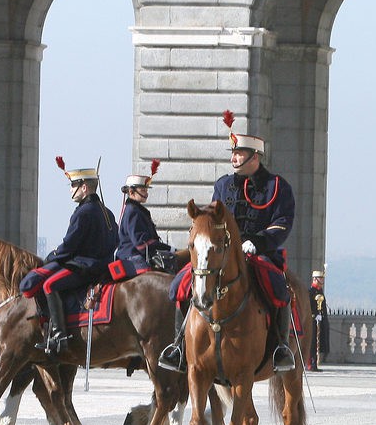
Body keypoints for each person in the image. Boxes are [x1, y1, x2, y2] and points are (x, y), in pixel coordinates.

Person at [159, 111, 296, 373]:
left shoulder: (277, 186)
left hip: (259, 252)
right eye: (233, 153)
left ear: (254, 157)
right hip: (222, 253)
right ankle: (178, 346)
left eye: (239, 154)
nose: (233, 158)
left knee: (279, 288)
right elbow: (212, 219)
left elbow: (282, 223)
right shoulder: (223, 185)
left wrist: (258, 241)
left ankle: (280, 347)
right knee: (179, 285)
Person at [20, 159, 118, 356]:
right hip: (103, 267)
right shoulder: (107, 212)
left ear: (84, 187)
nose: (70, 190)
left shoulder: (83, 212)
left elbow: (69, 245)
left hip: (85, 267)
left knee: (49, 285)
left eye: (73, 185)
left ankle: (59, 335)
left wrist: (51, 257)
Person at [116, 160, 174, 272]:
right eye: (143, 190)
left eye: (146, 189)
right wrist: (170, 249)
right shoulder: (132, 211)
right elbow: (141, 244)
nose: (146, 193)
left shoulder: (138, 210)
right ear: (131, 192)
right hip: (132, 257)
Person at [307, 269, 329, 371]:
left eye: (322, 278)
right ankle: (311, 363)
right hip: (312, 321)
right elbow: (308, 306)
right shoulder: (311, 292)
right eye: (320, 278)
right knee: (312, 343)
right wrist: (314, 315)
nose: (322, 280)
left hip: (319, 321)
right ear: (315, 279)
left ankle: (315, 362)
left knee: (318, 342)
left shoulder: (320, 291)